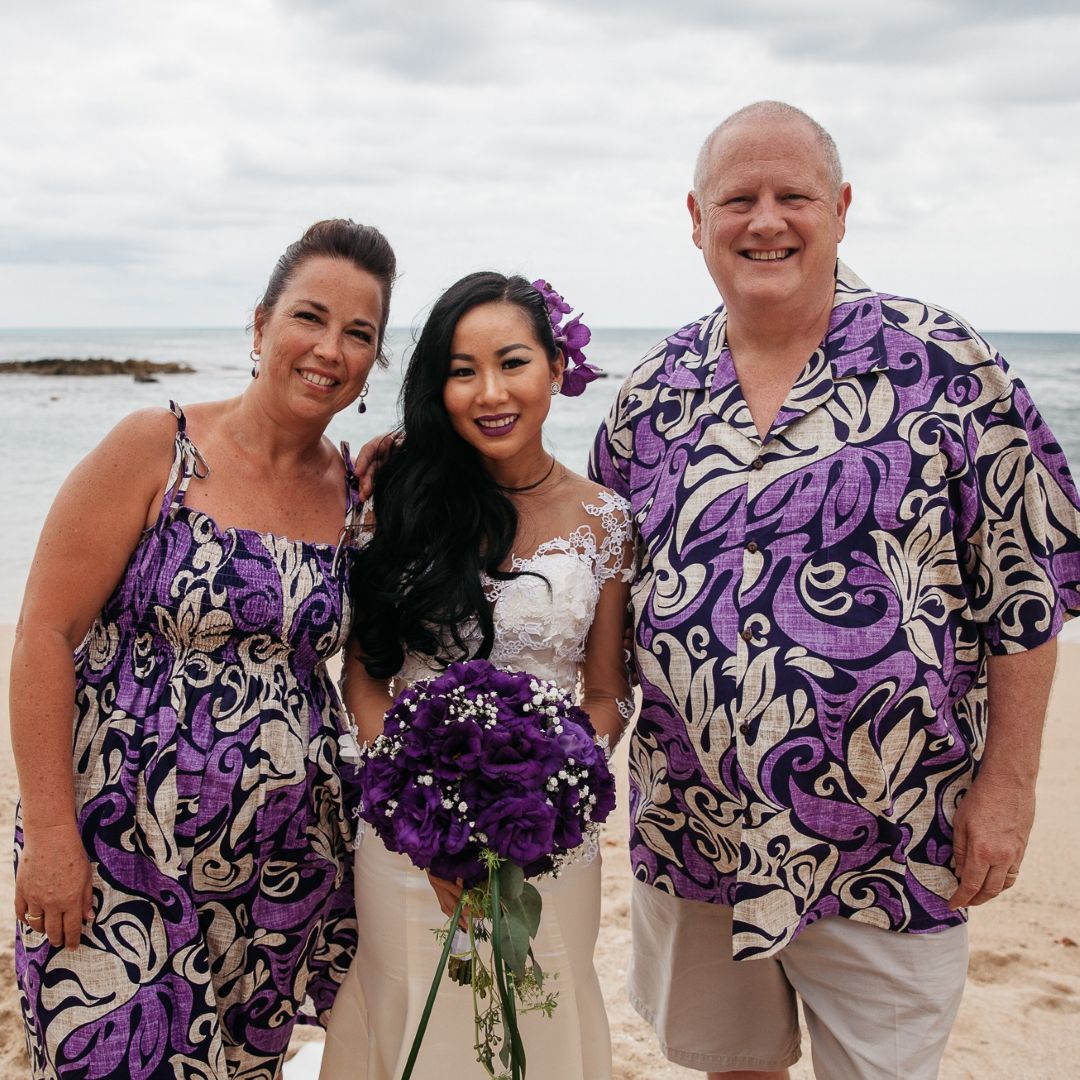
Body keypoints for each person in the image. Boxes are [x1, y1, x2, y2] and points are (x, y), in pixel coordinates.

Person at [589, 101, 1080, 1079]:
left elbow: (1027, 587)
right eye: (739, 199)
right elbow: (590, 586)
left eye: (793, 196)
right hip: (695, 836)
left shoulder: (947, 367)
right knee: (729, 1069)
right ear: (696, 218)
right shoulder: (647, 399)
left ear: (842, 209)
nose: (765, 220)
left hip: (891, 841)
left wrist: (1012, 785)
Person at [11, 218, 397, 1079]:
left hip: (280, 870)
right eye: (310, 317)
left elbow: (364, 667)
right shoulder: (160, 449)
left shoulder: (360, 499)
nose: (329, 349)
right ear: (261, 327)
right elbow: (43, 633)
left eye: (359, 333)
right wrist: (49, 835)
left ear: (374, 363)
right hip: (114, 851)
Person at [318, 272, 634, 1080]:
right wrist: (421, 807)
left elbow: (603, 695)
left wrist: (546, 791)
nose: (489, 393)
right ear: (439, 384)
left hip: (546, 841)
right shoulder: (397, 496)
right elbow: (365, 674)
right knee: (408, 1013)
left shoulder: (604, 519)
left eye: (513, 362)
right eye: (462, 370)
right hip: (404, 832)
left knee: (542, 1017)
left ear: (558, 369)